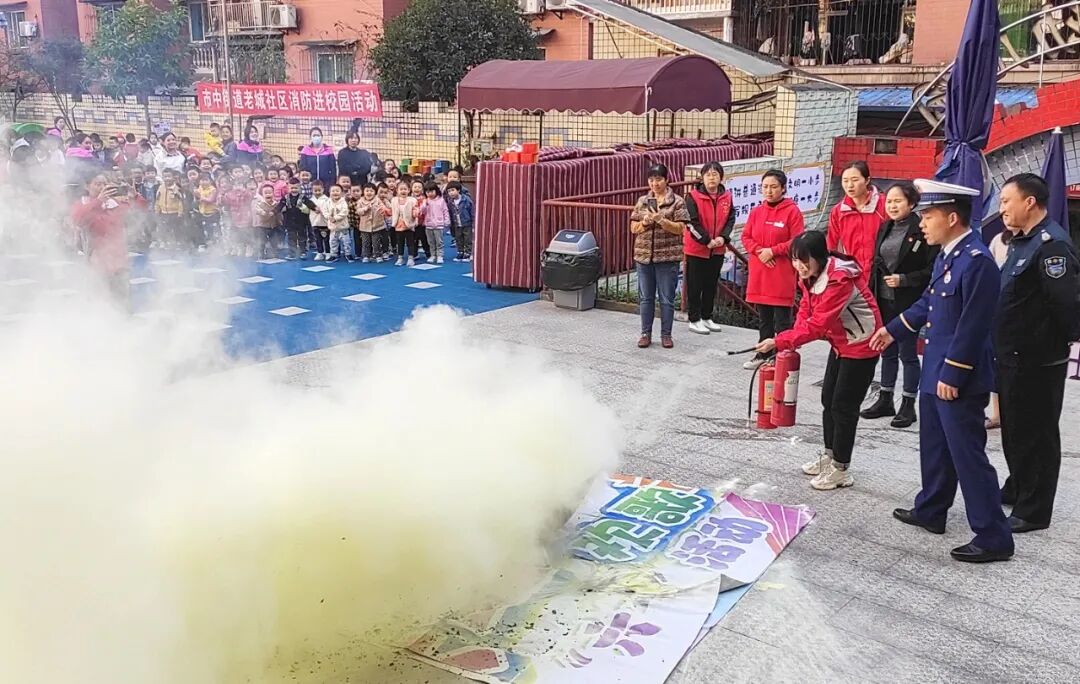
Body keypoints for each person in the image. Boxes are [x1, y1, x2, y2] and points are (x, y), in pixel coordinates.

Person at [871, 179, 1014, 564]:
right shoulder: (949, 255)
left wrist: (953, 373)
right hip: (936, 367)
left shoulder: (977, 261)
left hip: (958, 376)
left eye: (928, 216)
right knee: (934, 445)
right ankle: (932, 509)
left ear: (952, 218)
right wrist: (893, 329)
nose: (922, 224)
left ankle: (993, 536)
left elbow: (974, 325)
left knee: (967, 454)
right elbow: (928, 304)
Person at [755, 230, 882, 490]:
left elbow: (818, 324)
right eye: (795, 259)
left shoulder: (839, 279)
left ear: (820, 257)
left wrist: (779, 341)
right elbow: (806, 310)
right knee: (828, 400)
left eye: (804, 260)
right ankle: (830, 455)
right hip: (841, 343)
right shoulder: (811, 276)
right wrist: (789, 338)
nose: (799, 266)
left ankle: (841, 469)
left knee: (843, 406)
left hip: (862, 344)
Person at [994, 173, 1080, 533]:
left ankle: (1034, 509)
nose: (1002, 209)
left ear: (1029, 202)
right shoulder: (1022, 240)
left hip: (1037, 359)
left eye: (1006, 201)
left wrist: (1050, 346)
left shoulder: (1051, 246)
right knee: (1015, 429)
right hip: (1013, 354)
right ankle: (1018, 486)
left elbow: (1066, 306)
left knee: (1037, 434)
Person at [861, 181, 939, 428]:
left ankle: (908, 404)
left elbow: (932, 269)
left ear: (911, 203)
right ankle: (885, 399)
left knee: (908, 353)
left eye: (898, 201)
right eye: (889, 201)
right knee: (886, 350)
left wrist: (904, 279)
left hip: (908, 302)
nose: (892, 206)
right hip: (883, 299)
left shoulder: (922, 229)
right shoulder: (885, 227)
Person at [741, 169, 805, 369]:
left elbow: (797, 240)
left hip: (781, 273)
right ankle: (763, 353)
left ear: (783, 188)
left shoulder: (792, 211)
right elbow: (745, 236)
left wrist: (773, 251)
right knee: (764, 318)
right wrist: (760, 251)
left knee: (782, 320)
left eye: (774, 187)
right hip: (760, 272)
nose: (769, 191)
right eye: (765, 187)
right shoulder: (756, 211)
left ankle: (782, 355)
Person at [629, 164, 689, 349]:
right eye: (651, 180)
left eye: (658, 179)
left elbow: (681, 228)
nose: (654, 184)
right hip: (644, 256)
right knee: (646, 298)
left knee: (666, 298)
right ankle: (645, 333)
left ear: (666, 180)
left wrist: (661, 220)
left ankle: (666, 334)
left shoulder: (677, 201)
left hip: (667, 257)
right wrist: (645, 222)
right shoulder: (643, 201)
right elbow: (633, 227)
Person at [684, 161, 735, 335]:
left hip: (718, 249)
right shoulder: (692, 197)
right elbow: (691, 222)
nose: (711, 178)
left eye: (715, 174)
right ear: (702, 178)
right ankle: (694, 319)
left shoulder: (727, 197)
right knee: (695, 285)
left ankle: (707, 316)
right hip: (697, 248)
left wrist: (723, 238)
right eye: (708, 174)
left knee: (711, 284)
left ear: (721, 177)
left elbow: (731, 219)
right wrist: (706, 240)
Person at [72, 173, 133, 304]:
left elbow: (137, 215)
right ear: (87, 186)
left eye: (105, 184)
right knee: (99, 296)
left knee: (121, 297)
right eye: (98, 184)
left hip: (118, 258)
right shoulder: (82, 204)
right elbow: (78, 219)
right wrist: (98, 201)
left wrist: (134, 197)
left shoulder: (115, 203)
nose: (102, 187)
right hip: (96, 259)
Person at [828, 161, 886, 274]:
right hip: (854, 272)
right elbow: (831, 245)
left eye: (854, 180)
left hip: (880, 272)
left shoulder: (883, 204)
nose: (849, 185)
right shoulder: (838, 211)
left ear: (867, 180)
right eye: (845, 181)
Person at [983, 227, 1012, 429]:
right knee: (995, 362)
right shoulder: (999, 240)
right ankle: (997, 414)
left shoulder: (1036, 242)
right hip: (997, 308)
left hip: (1020, 313)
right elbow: (988, 269)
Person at [278, 177, 316, 261]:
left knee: (302, 237)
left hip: (301, 222)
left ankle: (303, 252)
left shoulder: (303, 197)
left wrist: (315, 208)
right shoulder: (285, 198)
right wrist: (274, 211)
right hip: (290, 222)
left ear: (299, 187)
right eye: (292, 188)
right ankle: (292, 253)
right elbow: (280, 206)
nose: (294, 190)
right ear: (288, 188)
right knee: (291, 238)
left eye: (296, 188)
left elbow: (309, 203)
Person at [353, 183, 386, 263]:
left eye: (371, 191)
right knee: (365, 242)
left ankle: (378, 255)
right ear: (363, 192)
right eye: (367, 191)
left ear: (375, 192)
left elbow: (383, 208)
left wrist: (382, 209)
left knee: (376, 242)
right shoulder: (360, 201)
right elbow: (358, 211)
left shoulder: (378, 200)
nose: (369, 193)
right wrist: (365, 208)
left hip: (376, 226)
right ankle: (366, 256)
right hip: (364, 227)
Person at [390, 179, 419, 267]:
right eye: (401, 189)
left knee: (410, 242)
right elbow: (392, 211)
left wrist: (416, 213)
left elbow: (415, 209)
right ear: (397, 190)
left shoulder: (412, 200)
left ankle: (411, 257)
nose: (403, 191)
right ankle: (400, 257)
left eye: (405, 189)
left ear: (409, 190)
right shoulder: (394, 200)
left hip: (409, 225)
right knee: (400, 242)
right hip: (398, 225)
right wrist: (386, 211)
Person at [421, 181, 449, 264]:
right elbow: (422, 212)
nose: (430, 194)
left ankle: (440, 255)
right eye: (427, 192)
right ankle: (433, 255)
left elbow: (445, 211)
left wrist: (447, 221)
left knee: (439, 241)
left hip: (438, 224)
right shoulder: (426, 201)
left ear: (436, 191)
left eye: (432, 191)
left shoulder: (441, 200)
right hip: (428, 224)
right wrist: (424, 205)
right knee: (431, 242)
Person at [324, 184, 353, 263]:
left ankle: (348, 254)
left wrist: (335, 218)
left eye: (337, 191)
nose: (335, 192)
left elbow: (344, 212)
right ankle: (334, 255)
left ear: (342, 193)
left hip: (343, 227)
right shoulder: (328, 202)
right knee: (333, 242)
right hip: (333, 227)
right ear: (329, 192)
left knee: (346, 242)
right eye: (333, 191)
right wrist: (329, 217)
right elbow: (325, 211)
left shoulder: (343, 202)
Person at [252, 183, 282, 259]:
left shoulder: (276, 204)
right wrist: (264, 213)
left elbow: (279, 213)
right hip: (262, 226)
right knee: (262, 241)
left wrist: (280, 222)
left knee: (274, 240)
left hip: (273, 225)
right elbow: (257, 210)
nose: (268, 194)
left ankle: (274, 253)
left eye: (270, 192)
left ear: (273, 193)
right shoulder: (260, 204)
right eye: (266, 193)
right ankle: (261, 253)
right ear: (262, 195)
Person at [447, 180, 474, 262]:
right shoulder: (450, 202)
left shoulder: (466, 200)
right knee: (458, 238)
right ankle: (460, 252)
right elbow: (450, 212)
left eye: (453, 190)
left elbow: (472, 211)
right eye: (449, 191)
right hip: (456, 223)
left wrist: (473, 222)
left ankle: (468, 253)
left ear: (458, 190)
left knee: (467, 238)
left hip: (466, 223)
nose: (451, 193)